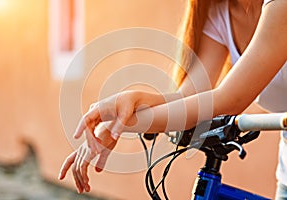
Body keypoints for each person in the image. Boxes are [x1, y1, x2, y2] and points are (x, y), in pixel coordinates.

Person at [58, 0, 287, 199]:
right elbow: (190, 96)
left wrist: (125, 124)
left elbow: (227, 99)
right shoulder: (219, 12)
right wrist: (122, 111)